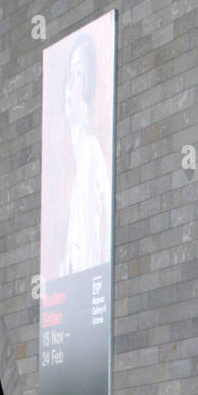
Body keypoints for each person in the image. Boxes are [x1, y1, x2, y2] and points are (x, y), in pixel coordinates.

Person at [57, 33, 111, 277]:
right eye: (69, 75)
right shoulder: (74, 163)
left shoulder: (92, 154)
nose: (71, 85)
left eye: (78, 74)